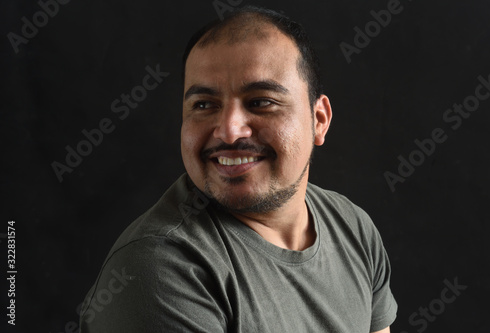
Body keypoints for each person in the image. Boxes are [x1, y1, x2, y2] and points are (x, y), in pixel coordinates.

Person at [80, 6, 397, 333]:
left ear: (319, 121)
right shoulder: (159, 269)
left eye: (260, 101)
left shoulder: (353, 227)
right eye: (204, 105)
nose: (229, 131)